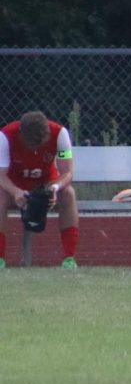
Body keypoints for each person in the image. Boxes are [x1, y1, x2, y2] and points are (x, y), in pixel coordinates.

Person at [0, 111, 79, 268]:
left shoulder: (60, 134)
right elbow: (1, 176)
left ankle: (69, 258)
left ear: (48, 134)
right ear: (21, 135)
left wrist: (55, 188)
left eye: (40, 144)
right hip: (14, 186)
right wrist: (16, 192)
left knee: (69, 194)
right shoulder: (5, 137)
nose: (35, 149)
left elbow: (68, 173)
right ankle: (0, 258)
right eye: (31, 144)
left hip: (47, 184)